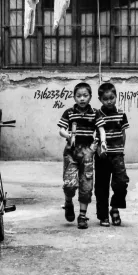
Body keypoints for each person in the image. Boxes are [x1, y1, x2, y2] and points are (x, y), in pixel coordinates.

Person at [57, 82, 106, 229]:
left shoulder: (95, 113)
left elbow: (101, 129)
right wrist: (68, 134)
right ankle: (68, 203)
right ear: (74, 97)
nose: (82, 99)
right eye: (79, 96)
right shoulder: (69, 112)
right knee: (69, 184)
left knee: (86, 185)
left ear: (90, 97)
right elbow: (61, 129)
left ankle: (82, 216)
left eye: (85, 95)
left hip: (87, 153)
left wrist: (103, 142)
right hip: (71, 153)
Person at [95, 82, 130, 227]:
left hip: (118, 155)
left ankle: (114, 208)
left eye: (112, 98)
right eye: (105, 99)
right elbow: (95, 133)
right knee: (101, 186)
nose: (109, 101)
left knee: (121, 182)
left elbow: (123, 133)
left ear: (116, 97)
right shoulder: (97, 114)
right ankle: (103, 216)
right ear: (100, 99)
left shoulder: (121, 114)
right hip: (102, 156)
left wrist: (121, 149)